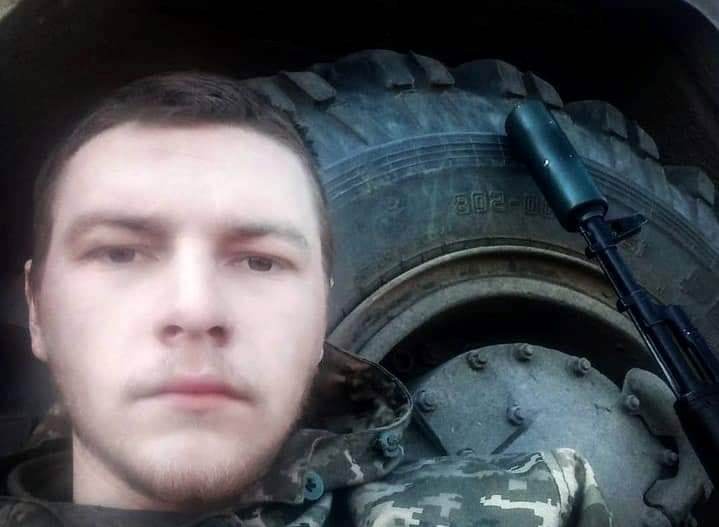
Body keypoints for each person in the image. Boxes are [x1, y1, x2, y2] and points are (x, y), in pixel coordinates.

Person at [0, 72, 612, 526]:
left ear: (320, 313)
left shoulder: (543, 507)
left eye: (259, 261)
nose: (194, 310)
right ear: (37, 309)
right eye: (120, 253)